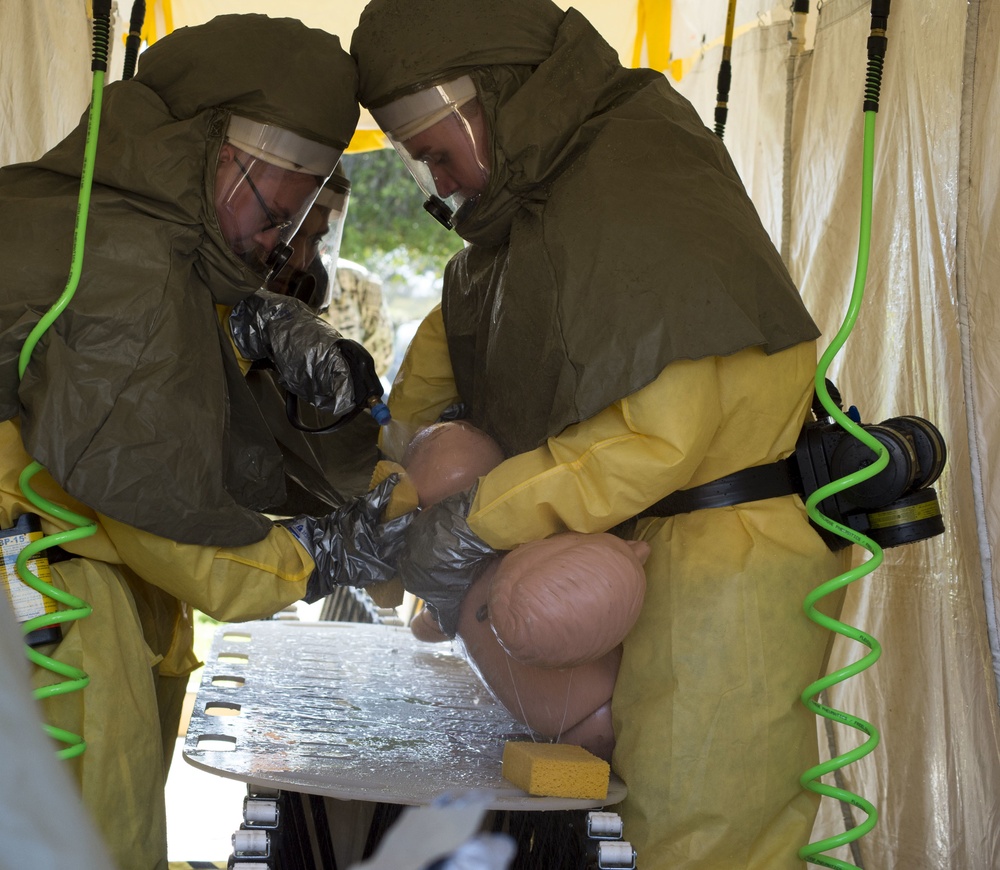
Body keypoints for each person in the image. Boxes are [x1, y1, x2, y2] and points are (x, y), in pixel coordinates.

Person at [350, 2, 849, 868]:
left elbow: (658, 435)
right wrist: (382, 480)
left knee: (702, 842)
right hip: (657, 552)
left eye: (436, 153)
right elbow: (446, 365)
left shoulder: (632, 178)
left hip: (723, 568)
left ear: (495, 98)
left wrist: (473, 520)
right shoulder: (533, 217)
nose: (436, 182)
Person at [0, 15, 409, 869]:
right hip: (49, 619)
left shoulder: (76, 215)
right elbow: (165, 510)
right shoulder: (133, 268)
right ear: (218, 151)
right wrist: (327, 551)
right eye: (276, 211)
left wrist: (247, 329)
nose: (280, 246)